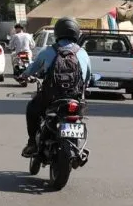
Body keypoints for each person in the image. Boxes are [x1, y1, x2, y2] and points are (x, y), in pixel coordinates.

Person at [20, 17, 92, 157]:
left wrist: (24, 75)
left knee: (32, 109)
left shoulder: (48, 51)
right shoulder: (83, 53)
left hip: (51, 98)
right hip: (75, 98)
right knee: (79, 116)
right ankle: (78, 149)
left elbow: (32, 69)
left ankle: (32, 144)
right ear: (76, 33)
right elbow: (88, 77)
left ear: (57, 32)